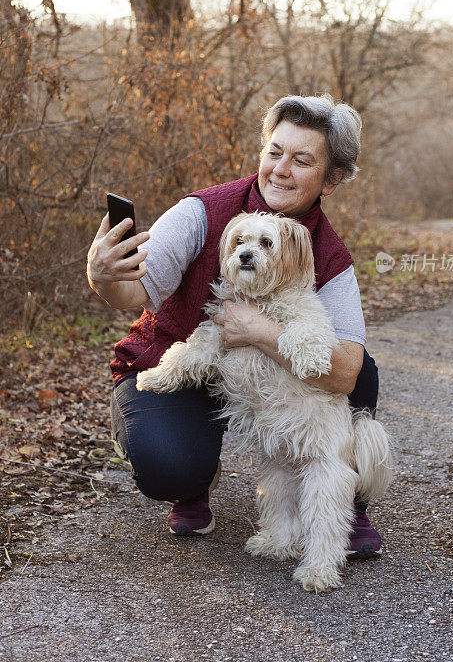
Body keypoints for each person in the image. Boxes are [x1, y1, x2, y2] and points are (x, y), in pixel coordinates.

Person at [87, 94, 383, 558]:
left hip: (260, 368)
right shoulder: (202, 212)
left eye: (302, 160)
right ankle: (194, 477)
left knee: (360, 370)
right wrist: (103, 275)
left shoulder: (330, 256)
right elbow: (134, 293)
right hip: (184, 361)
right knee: (171, 465)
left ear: (333, 179)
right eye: (274, 152)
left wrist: (257, 331)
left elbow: (344, 372)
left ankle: (345, 498)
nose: (281, 169)